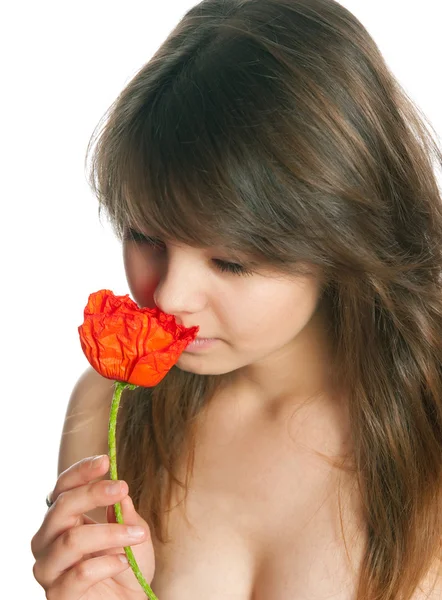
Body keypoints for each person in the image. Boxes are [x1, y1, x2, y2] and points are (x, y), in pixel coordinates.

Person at [31, 0, 442, 598]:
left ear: (343, 234)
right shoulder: (109, 408)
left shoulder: (428, 430)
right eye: (146, 236)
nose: (168, 294)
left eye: (231, 261)